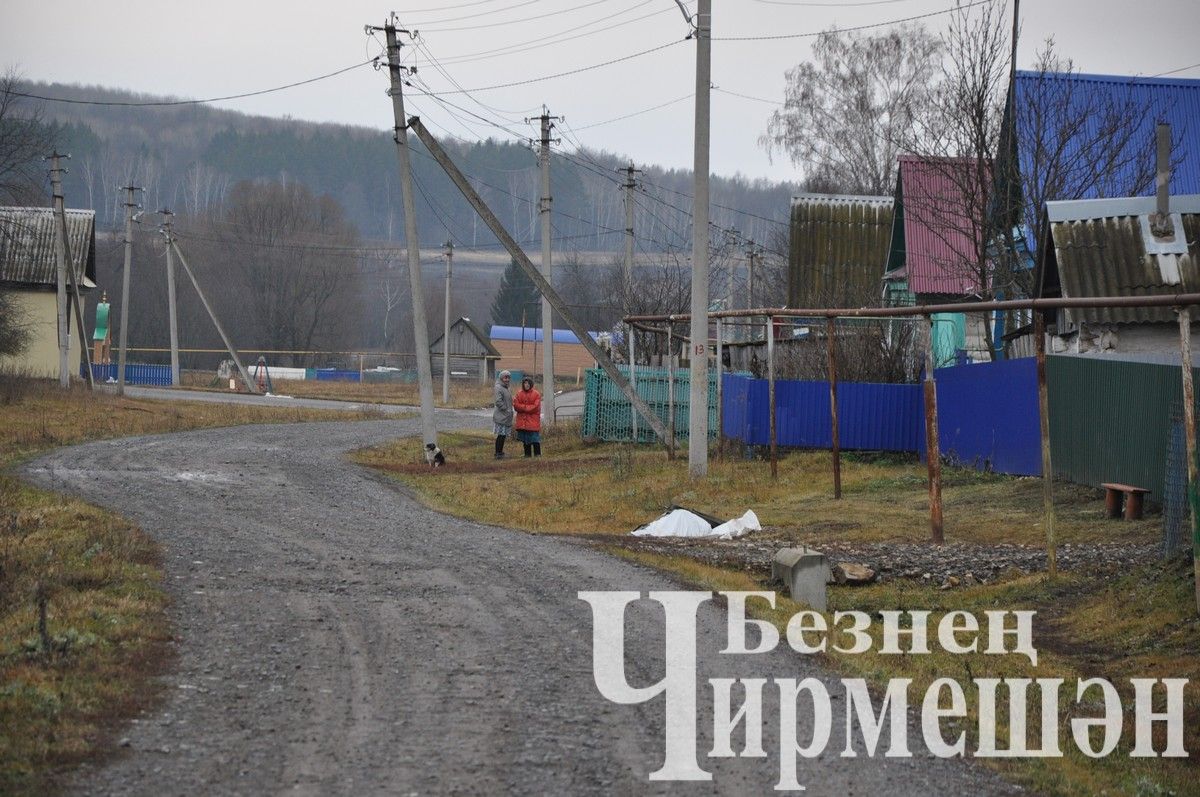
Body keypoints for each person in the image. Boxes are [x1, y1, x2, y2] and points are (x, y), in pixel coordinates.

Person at [512, 376, 542, 457]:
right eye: (525, 383)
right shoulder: (519, 394)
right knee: (525, 439)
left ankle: (537, 454)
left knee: (535, 439)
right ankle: (527, 454)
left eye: (528, 383)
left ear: (531, 384)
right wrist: (526, 407)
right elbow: (516, 406)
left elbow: (535, 407)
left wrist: (523, 407)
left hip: (533, 421)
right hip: (522, 421)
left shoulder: (536, 394)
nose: (526, 385)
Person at [493, 370, 514, 459]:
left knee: (503, 435)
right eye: (505, 377)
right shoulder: (499, 387)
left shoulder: (506, 387)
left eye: (508, 377)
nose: (507, 379)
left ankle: (500, 452)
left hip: (505, 416)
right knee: (501, 435)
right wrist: (506, 410)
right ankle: (498, 453)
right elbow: (498, 401)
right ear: (501, 378)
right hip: (501, 416)